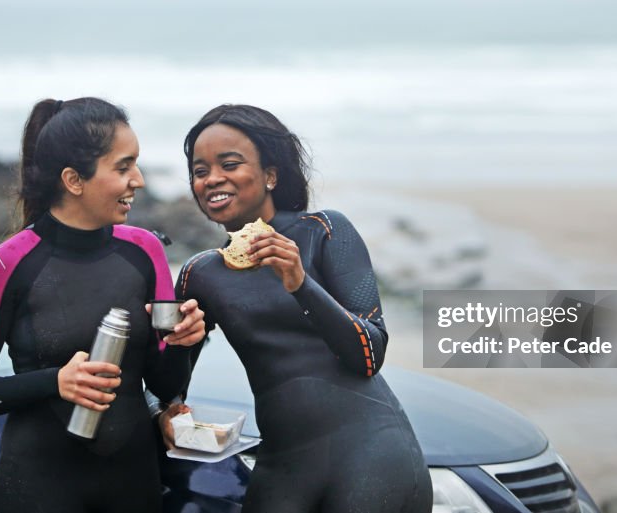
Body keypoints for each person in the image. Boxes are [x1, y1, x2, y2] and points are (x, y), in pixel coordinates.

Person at [167, 104, 432, 512]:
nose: (213, 179)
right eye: (200, 171)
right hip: (283, 466)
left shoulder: (324, 232)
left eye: (230, 164)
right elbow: (170, 384)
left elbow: (370, 353)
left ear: (271, 175)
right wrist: (168, 407)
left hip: (370, 454)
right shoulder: (201, 274)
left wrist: (300, 284)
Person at [0, 97, 206, 513]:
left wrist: (182, 341)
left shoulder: (145, 252)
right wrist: (56, 382)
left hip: (133, 483)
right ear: (73, 180)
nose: (138, 180)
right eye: (123, 167)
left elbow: (162, 384)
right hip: (40, 486)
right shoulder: (5, 266)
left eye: (136, 164)